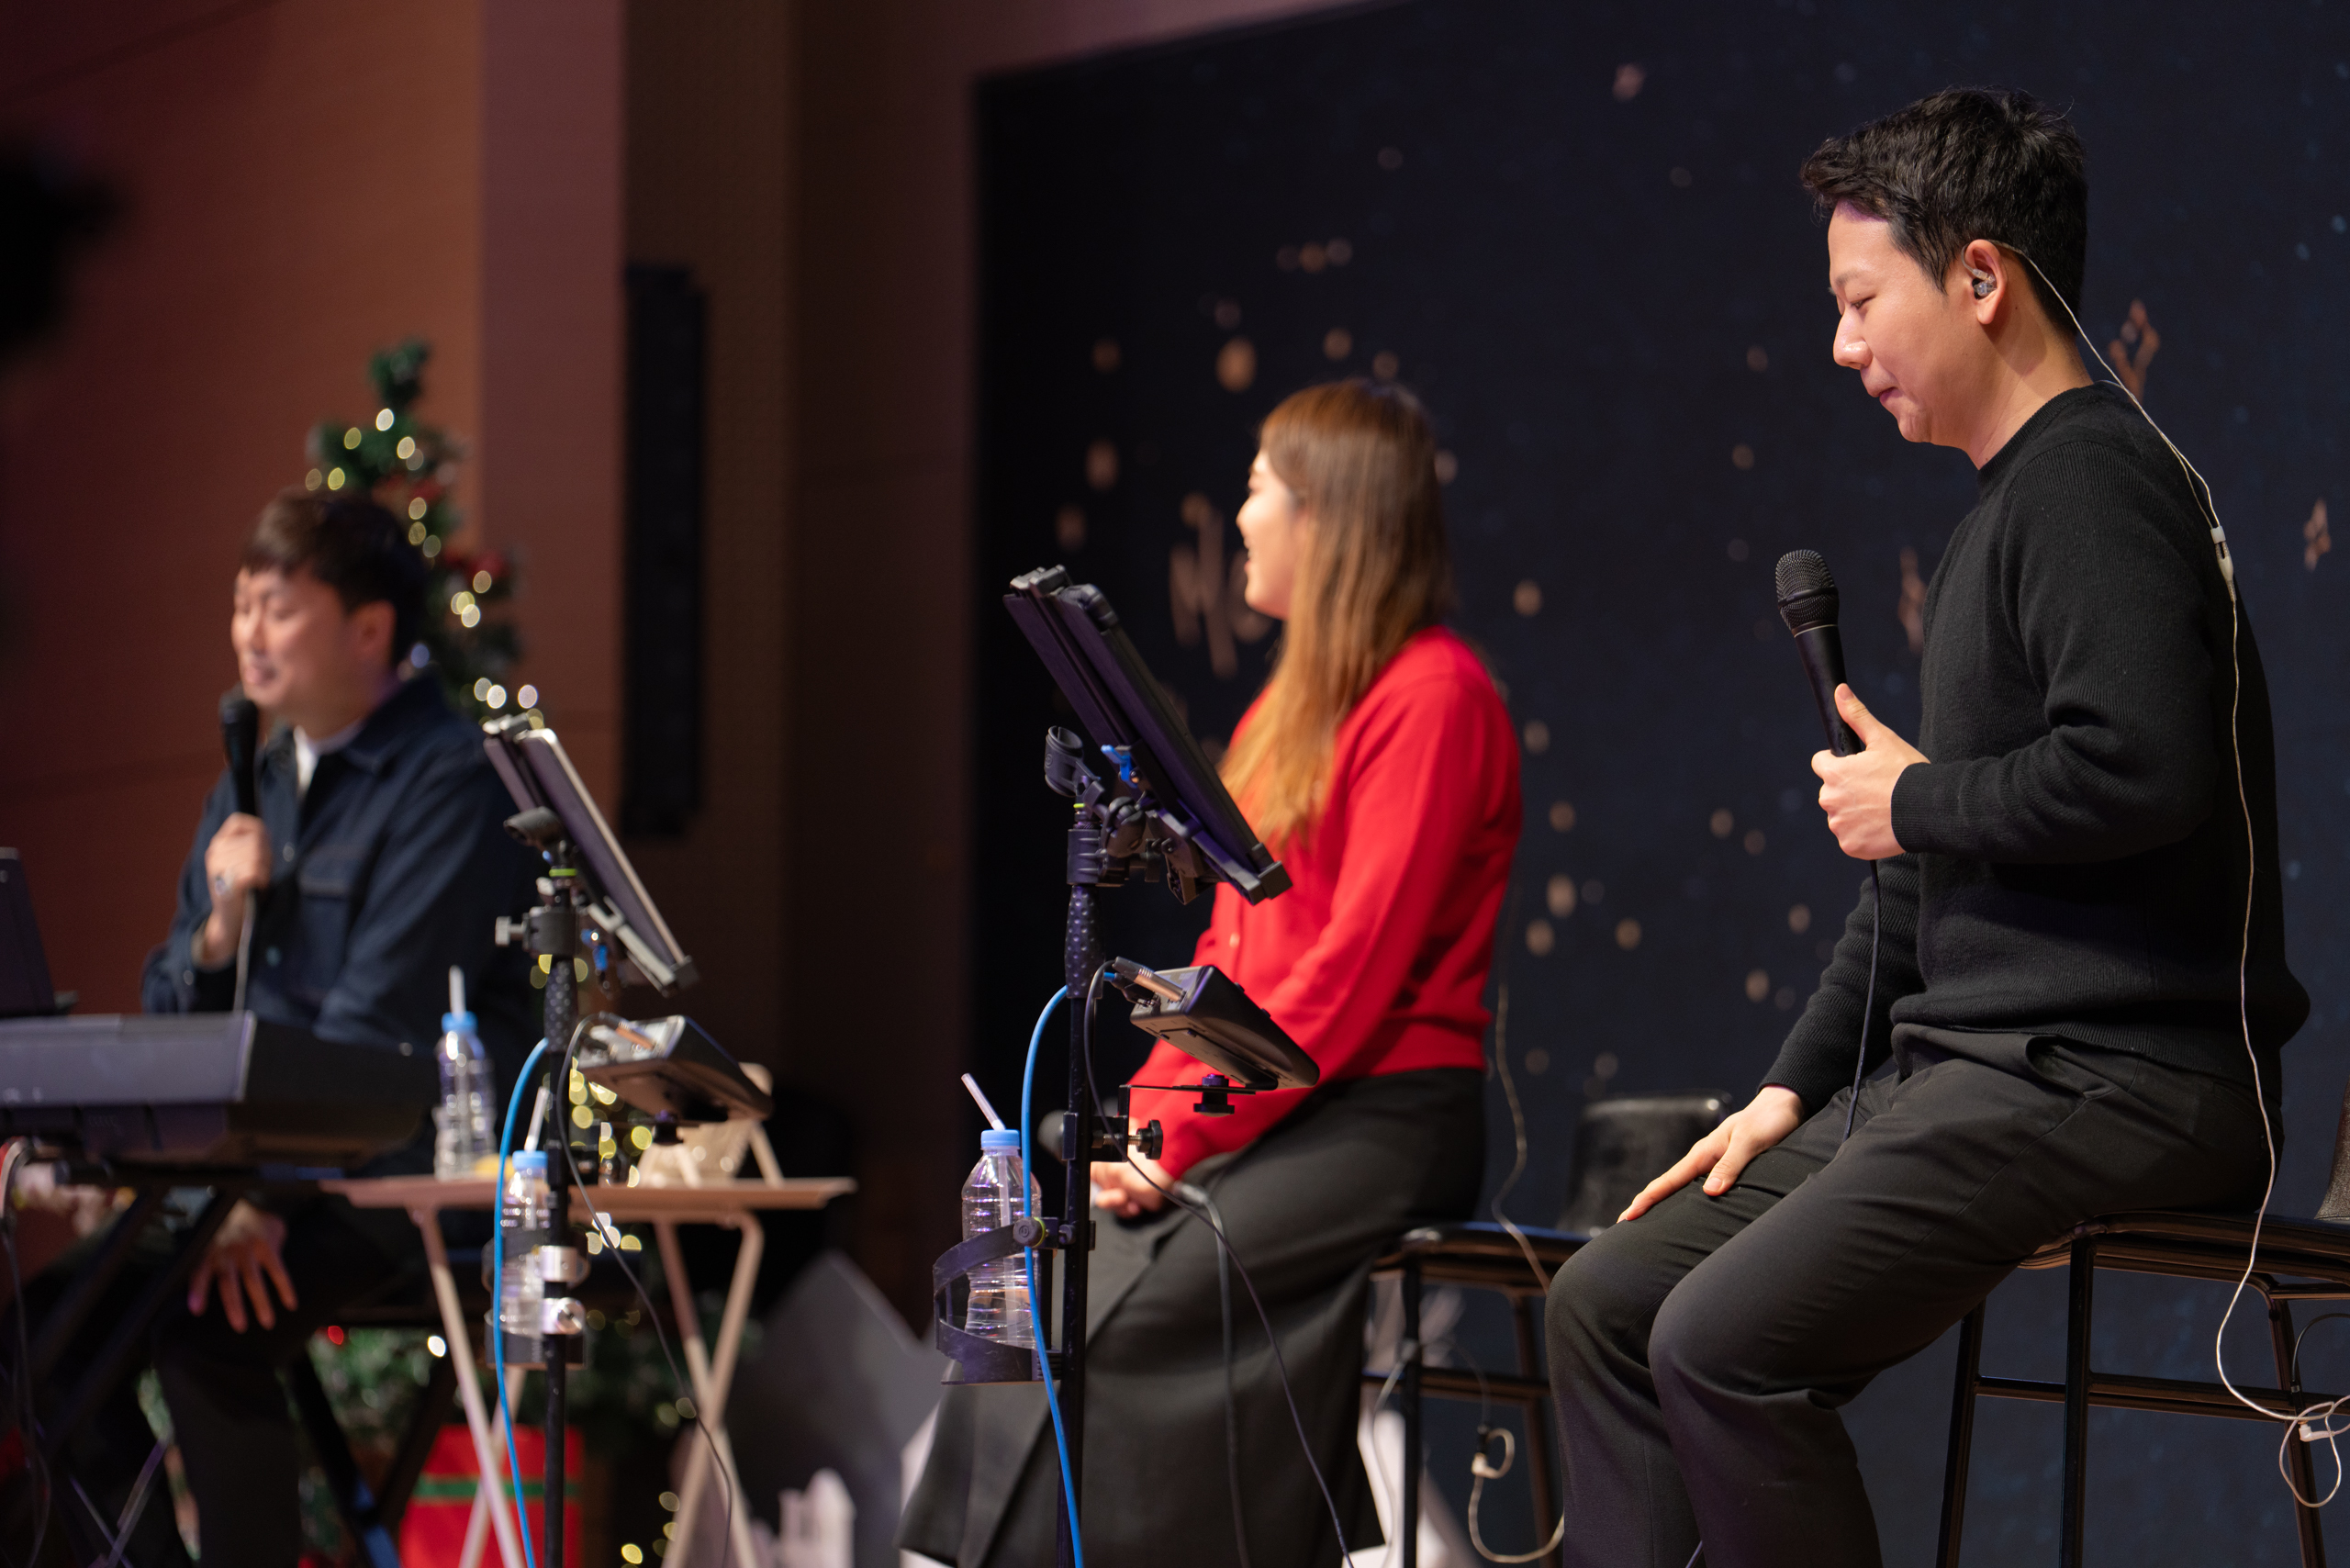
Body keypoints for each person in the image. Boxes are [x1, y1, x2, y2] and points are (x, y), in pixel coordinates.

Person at [1543, 87, 2309, 1568]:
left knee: (1721, 1341)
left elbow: (2143, 770)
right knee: (1613, 1303)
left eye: (1858, 300)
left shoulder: (2091, 482)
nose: (1842, 346)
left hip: (2122, 1077)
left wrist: (1914, 798)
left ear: (1980, 277)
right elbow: (1924, 867)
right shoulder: (1997, 518)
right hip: (1980, 1069)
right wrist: (1790, 1086)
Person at [901, 380, 1522, 1565]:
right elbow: (1227, 959)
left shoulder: (1434, 696)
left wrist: (1177, 1138)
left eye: (1257, 488)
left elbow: (1345, 979)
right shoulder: (1288, 708)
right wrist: (1146, 1120)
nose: (1239, 518)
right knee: (1047, 1288)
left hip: (1376, 1113)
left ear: (1327, 513)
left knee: (1136, 1318)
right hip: (1261, 1099)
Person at [25, 490, 539, 1566]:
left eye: (277, 605)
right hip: (245, 1180)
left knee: (207, 1334)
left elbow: (371, 1039)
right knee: (37, 1337)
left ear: (368, 628)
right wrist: (217, 929)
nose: (248, 632)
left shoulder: (449, 779)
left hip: (390, 1180)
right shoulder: (253, 780)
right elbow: (176, 1016)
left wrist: (243, 1195)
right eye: (240, 604)